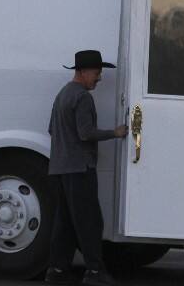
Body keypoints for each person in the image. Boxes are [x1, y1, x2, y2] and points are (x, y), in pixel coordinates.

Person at [46, 49, 128, 286]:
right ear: (82, 72)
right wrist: (116, 132)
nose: (100, 77)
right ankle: (94, 271)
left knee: (65, 223)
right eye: (97, 72)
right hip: (79, 168)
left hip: (60, 168)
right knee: (89, 221)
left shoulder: (62, 94)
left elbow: (52, 129)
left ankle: (57, 271)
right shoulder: (82, 97)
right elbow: (86, 133)